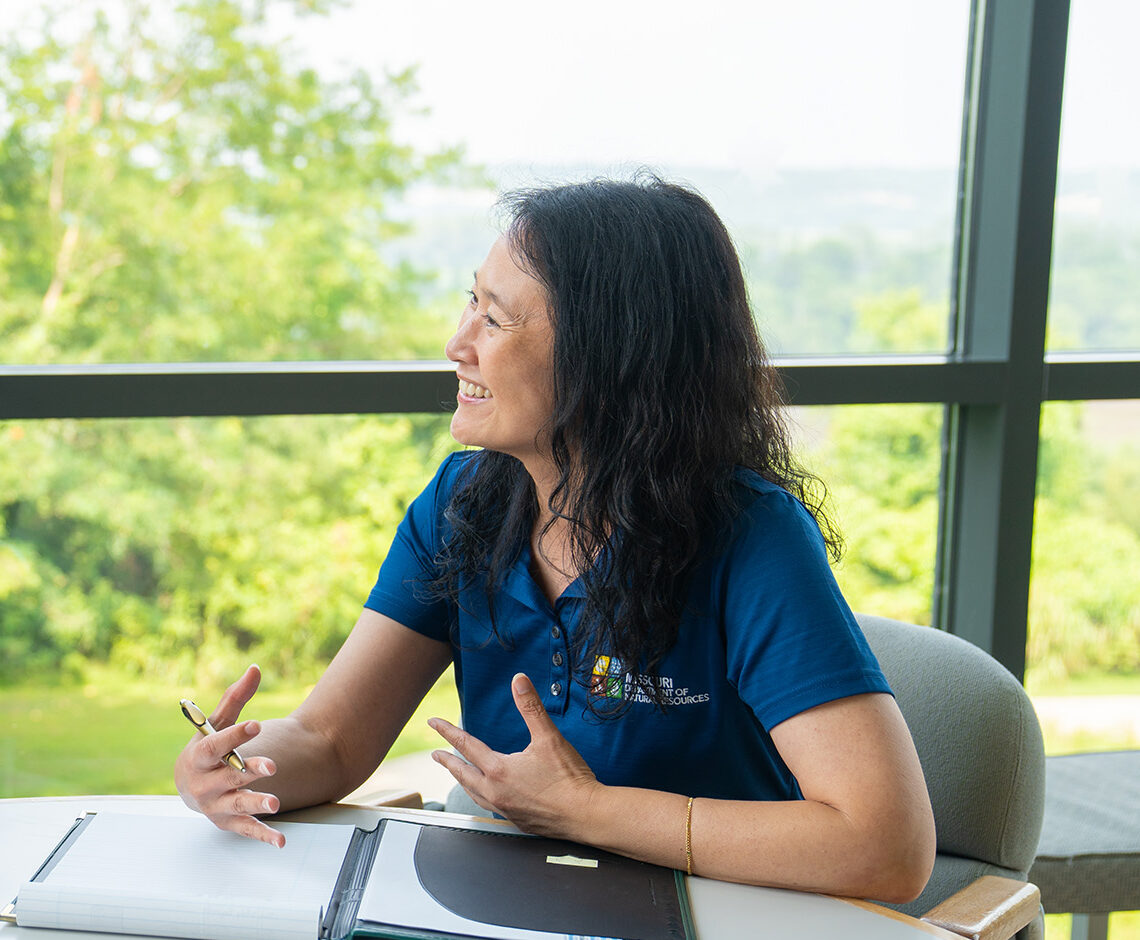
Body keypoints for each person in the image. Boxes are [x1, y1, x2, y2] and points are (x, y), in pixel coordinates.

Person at [175, 175, 936, 903]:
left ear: (607, 357)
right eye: (469, 302)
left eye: (495, 319)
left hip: (713, 916)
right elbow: (330, 738)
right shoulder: (460, 505)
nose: (456, 343)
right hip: (517, 905)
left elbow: (886, 846)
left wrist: (587, 811)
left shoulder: (752, 539)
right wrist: (239, 768)